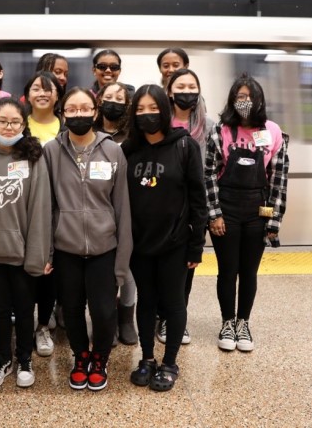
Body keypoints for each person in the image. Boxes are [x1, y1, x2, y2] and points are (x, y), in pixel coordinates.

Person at [42, 87, 132, 392]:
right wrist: (47, 252)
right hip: (65, 247)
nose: (79, 114)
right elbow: (47, 205)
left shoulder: (113, 151)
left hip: (104, 247)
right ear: (63, 114)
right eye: (72, 109)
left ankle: (100, 358)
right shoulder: (51, 152)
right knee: (71, 310)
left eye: (85, 109)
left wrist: (122, 262)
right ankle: (80, 357)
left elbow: (122, 207)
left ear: (95, 112)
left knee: (105, 311)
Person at [121, 85, 207, 392]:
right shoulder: (128, 150)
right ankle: (147, 358)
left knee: (172, 302)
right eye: (140, 110)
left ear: (165, 110)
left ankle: (170, 362)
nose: (147, 115)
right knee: (146, 301)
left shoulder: (185, 146)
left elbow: (199, 198)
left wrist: (197, 244)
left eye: (153, 108)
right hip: (139, 244)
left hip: (175, 242)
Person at [205, 74, 289, 353]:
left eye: (250, 97)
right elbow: (209, 175)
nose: (245, 102)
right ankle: (227, 322)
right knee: (227, 271)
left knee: (249, 271)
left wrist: (273, 220)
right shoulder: (220, 131)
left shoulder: (273, 131)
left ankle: (244, 323)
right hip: (226, 209)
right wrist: (214, 214)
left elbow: (277, 178)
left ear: (260, 101)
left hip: (257, 210)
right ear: (232, 100)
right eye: (240, 97)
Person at [0, 98, 53, 389]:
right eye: (2, 121)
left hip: (23, 253)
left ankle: (24, 359)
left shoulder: (34, 157)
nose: (8, 127)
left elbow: (41, 209)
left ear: (24, 125)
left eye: (15, 122)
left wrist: (39, 254)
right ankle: (2, 359)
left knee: (23, 309)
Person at [158, 68, 213, 345]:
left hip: (193, 208)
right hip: (162, 204)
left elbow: (213, 170)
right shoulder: (159, 124)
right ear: (169, 91)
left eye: (193, 86)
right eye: (181, 86)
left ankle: (175, 318)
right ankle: (161, 314)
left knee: (186, 267)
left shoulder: (209, 126)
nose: (187, 91)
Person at [92, 81, 137, 346]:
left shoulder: (134, 134)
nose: (114, 101)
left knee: (127, 268)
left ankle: (126, 318)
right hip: (99, 209)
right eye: (108, 96)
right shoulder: (90, 131)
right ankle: (104, 320)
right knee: (101, 272)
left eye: (120, 97)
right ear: (99, 101)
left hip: (129, 206)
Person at [22, 71, 61, 357]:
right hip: (22, 205)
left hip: (59, 205)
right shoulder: (18, 123)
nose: (42, 92)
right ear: (27, 94)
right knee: (24, 267)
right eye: (36, 88)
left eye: (49, 89)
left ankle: (43, 325)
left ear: (58, 95)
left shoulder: (67, 125)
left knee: (50, 268)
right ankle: (23, 321)